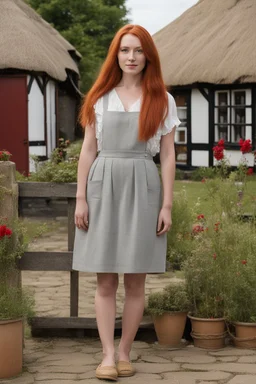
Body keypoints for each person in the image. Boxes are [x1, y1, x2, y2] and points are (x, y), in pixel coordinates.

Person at [72, 24, 181, 381]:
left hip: (143, 187)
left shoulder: (161, 99)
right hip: (103, 185)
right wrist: (81, 199)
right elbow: (88, 151)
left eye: (137, 50)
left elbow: (167, 155)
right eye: (124, 50)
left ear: (148, 55)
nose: (131, 57)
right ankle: (105, 354)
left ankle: (124, 352)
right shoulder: (99, 96)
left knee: (136, 280)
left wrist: (166, 204)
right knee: (105, 280)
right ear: (115, 55)